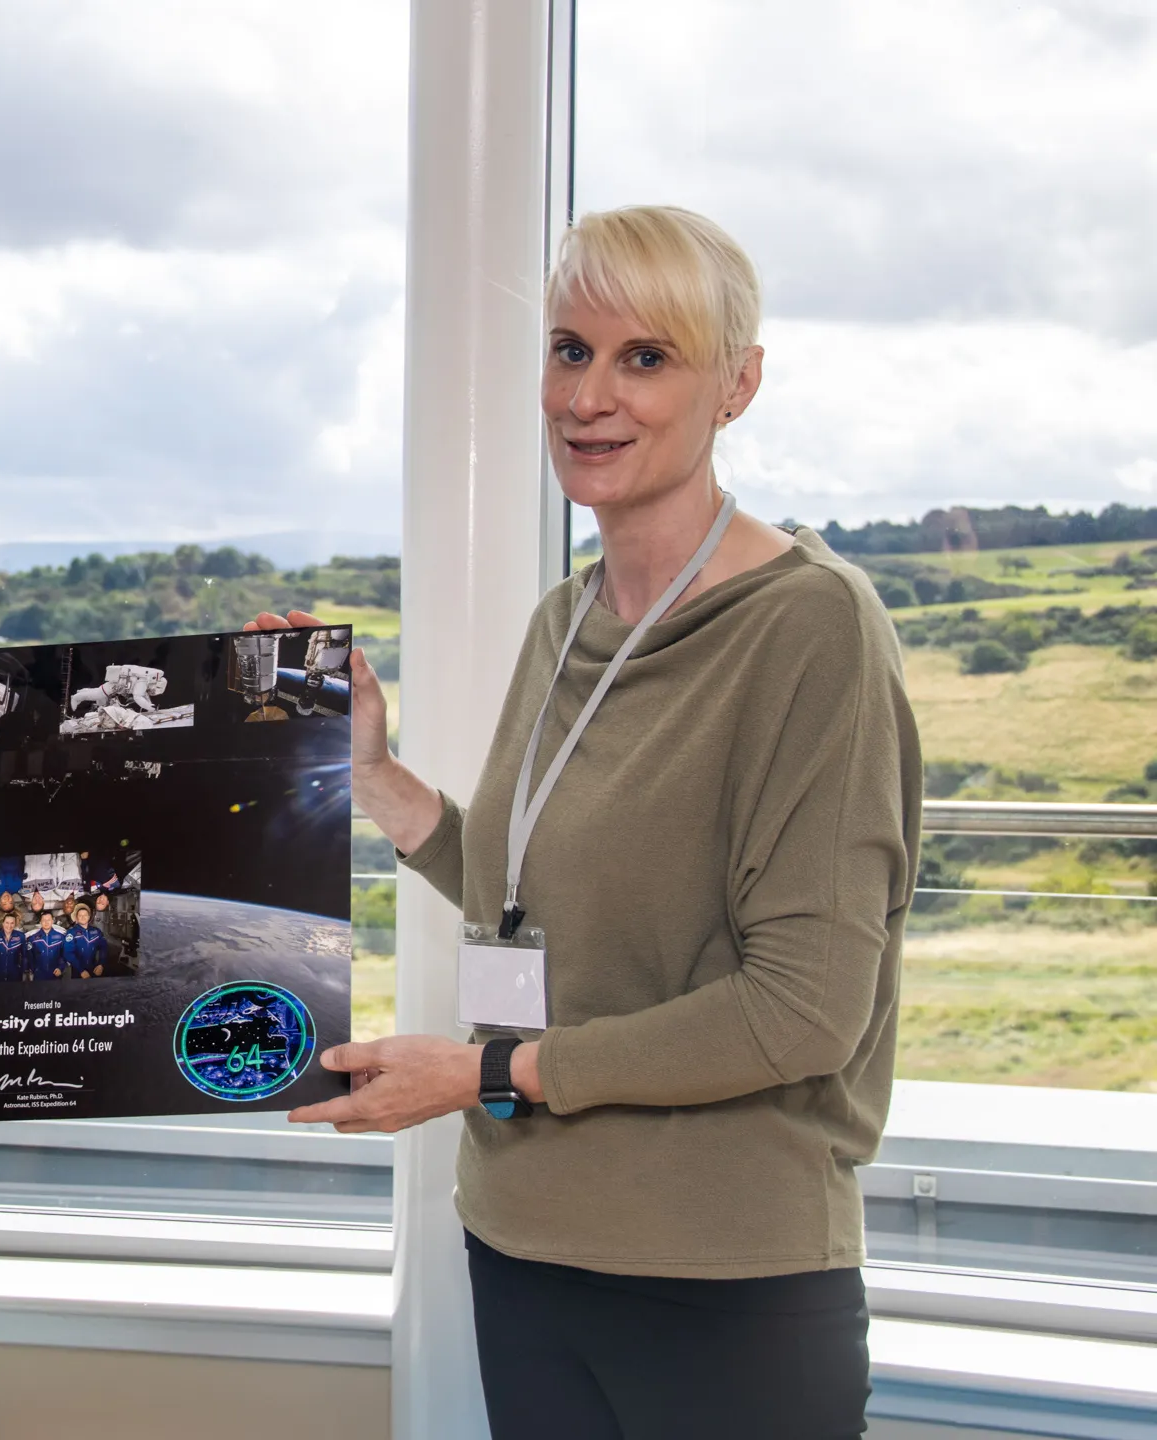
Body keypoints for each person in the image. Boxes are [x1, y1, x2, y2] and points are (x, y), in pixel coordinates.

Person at [262, 205, 919, 1440]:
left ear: (738, 385)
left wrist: (487, 1073)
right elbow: (521, 891)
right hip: (522, 1245)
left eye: (645, 357)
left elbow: (803, 1010)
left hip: (720, 1280)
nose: (588, 396)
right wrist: (376, 776)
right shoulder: (565, 619)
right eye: (570, 350)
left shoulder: (812, 628)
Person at [0, 913, 26, 984]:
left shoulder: (21, 937)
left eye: (12, 923)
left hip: (15, 975)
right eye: (7, 923)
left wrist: (23, 971)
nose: (9, 926)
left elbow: (25, 956)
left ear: (15, 924)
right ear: (3, 923)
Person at [66, 903, 104, 979]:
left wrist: (101, 964)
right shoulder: (71, 933)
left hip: (94, 969)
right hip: (78, 972)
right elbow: (68, 953)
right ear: (76, 918)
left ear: (89, 917)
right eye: (80, 915)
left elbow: (104, 948)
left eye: (85, 915)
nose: (83, 917)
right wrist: (81, 970)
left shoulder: (96, 931)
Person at [27, 911, 67, 981]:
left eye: (48, 920)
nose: (46, 922)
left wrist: (60, 968)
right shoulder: (32, 939)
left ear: (52, 921)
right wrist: (34, 970)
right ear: (40, 922)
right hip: (39, 975)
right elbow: (29, 957)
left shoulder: (61, 937)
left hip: (56, 973)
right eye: (44, 920)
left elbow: (64, 955)